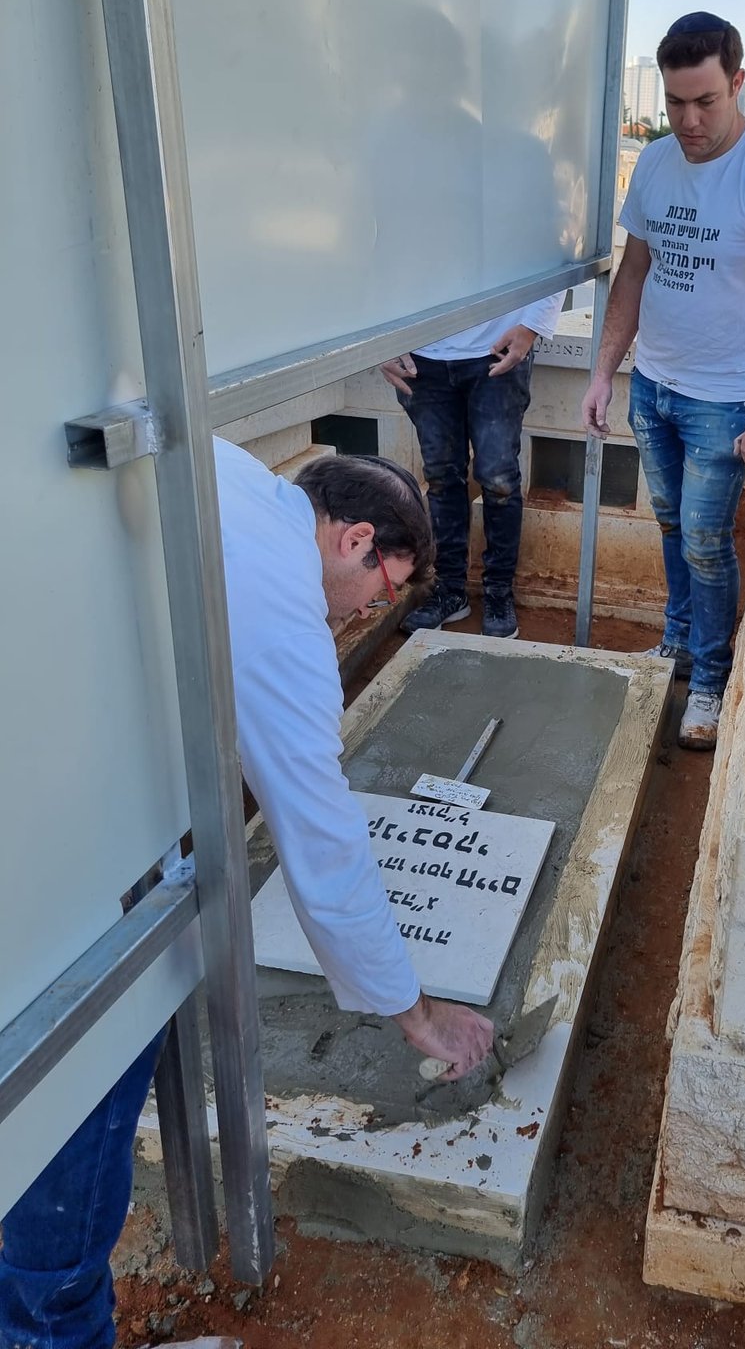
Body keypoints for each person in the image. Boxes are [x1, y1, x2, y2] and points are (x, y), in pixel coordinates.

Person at [0, 440, 494, 1349]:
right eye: (382, 591)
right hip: (52, 875)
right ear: (353, 542)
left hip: (42, 769)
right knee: (72, 1121)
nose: (367, 613)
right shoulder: (280, 606)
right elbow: (321, 833)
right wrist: (415, 1013)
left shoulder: (224, 468)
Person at [582, 12, 745, 750]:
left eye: (705, 101)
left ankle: (710, 683)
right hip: (655, 386)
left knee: (708, 546)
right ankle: (677, 645)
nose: (688, 120)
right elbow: (634, 273)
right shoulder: (655, 162)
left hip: (726, 402)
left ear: (738, 83)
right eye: (675, 102)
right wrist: (603, 371)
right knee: (673, 527)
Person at [381, 295, 564, 640]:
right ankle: (450, 589)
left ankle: (498, 592)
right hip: (422, 355)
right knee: (440, 477)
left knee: (498, 479)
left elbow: (557, 246)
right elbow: (377, 256)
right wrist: (382, 340)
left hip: (497, 347)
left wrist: (530, 328)